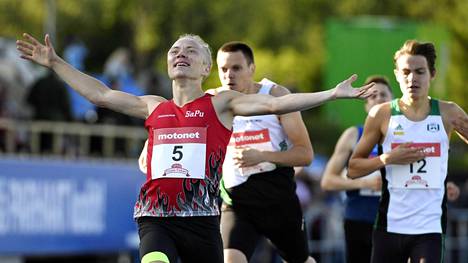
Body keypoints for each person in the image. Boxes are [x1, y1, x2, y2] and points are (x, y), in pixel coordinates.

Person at [17, 33, 374, 263]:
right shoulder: (154, 106)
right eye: (175, 50)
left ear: (205, 68)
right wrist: (55, 63)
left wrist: (331, 93)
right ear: (169, 65)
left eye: (191, 51)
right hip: (156, 217)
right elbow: (101, 94)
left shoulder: (221, 104)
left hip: (203, 221)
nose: (180, 53)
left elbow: (273, 106)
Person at [347, 40, 468, 263]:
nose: (412, 79)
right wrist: (387, 158)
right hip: (390, 226)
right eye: (406, 72)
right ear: (396, 75)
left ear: (432, 74)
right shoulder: (381, 115)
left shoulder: (448, 113)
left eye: (419, 72)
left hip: (429, 228)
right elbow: (353, 169)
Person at [321, 76, 461, 263]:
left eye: (383, 95)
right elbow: (327, 181)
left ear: (393, 100)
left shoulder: (410, 133)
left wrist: (445, 186)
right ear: (365, 104)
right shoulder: (353, 135)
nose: (378, 99)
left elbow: (425, 169)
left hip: (400, 221)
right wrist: (367, 183)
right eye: (372, 95)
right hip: (360, 219)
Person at [209, 42, 316, 263]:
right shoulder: (213, 101)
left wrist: (263, 156)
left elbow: (305, 154)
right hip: (237, 202)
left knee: (301, 260)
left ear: (252, 68)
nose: (229, 75)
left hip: (277, 199)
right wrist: (149, 144)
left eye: (236, 68)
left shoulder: (276, 95)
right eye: (223, 69)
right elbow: (178, 122)